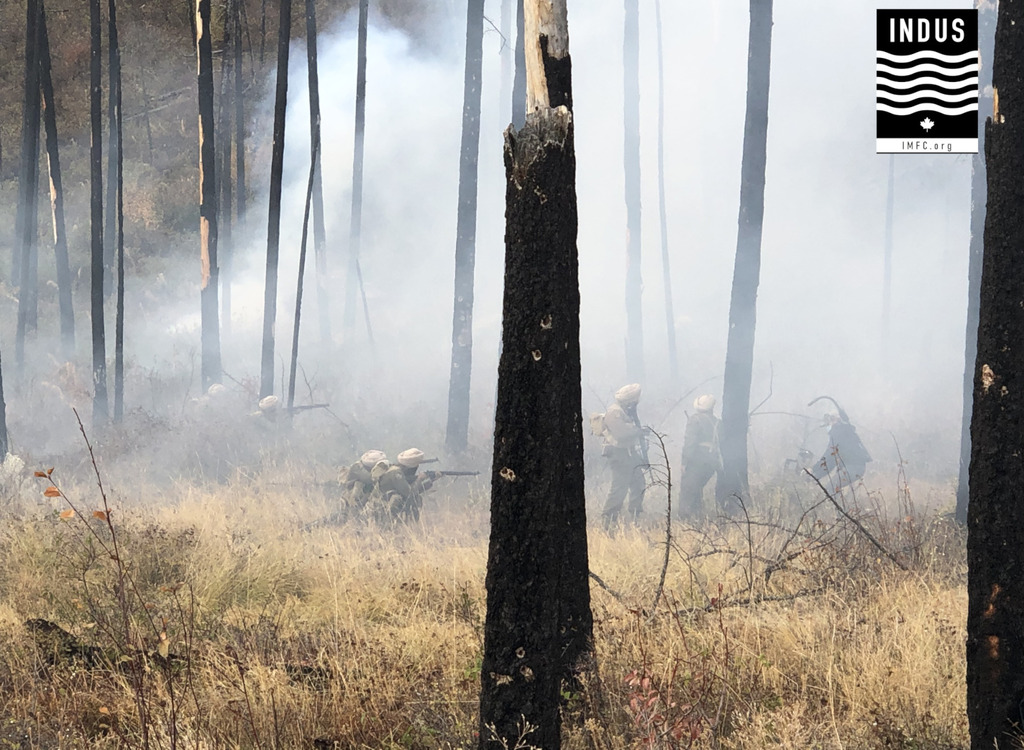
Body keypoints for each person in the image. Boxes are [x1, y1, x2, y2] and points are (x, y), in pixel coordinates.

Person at [600, 383, 648, 528]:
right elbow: (621, 434)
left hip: (628, 454)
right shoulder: (615, 412)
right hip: (618, 454)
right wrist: (638, 431)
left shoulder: (624, 411)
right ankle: (608, 521)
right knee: (619, 488)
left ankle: (634, 516)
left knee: (639, 484)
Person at [679, 395, 722, 520]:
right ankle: (698, 517)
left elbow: (689, 443)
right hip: (712, 461)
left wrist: (684, 462)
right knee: (697, 489)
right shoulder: (718, 423)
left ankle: (686, 520)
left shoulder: (695, 420)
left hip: (697, 460)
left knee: (688, 490)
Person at [372, 448, 437, 523]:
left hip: (385, 504)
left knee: (417, 497)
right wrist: (419, 478)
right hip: (382, 506)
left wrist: (431, 480)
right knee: (406, 499)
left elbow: (415, 490)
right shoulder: (396, 473)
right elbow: (409, 493)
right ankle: (392, 525)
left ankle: (408, 525)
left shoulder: (396, 470)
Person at [810, 412, 872, 490]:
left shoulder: (838, 434)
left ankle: (833, 501)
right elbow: (830, 463)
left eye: (828, 423)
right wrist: (816, 476)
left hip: (853, 467)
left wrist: (813, 469)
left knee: (831, 488)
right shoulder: (844, 432)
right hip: (857, 467)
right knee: (835, 486)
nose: (828, 427)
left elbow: (828, 456)